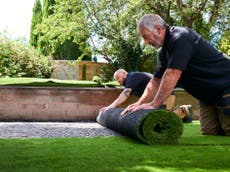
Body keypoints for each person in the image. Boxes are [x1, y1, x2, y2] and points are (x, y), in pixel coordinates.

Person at [121, 14, 230, 136]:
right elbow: (156, 81)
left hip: (226, 86)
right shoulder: (163, 52)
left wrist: (154, 104)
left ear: (158, 29)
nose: (145, 42)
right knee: (210, 134)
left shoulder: (180, 37)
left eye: (146, 37)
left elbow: (172, 73)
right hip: (207, 96)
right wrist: (139, 104)